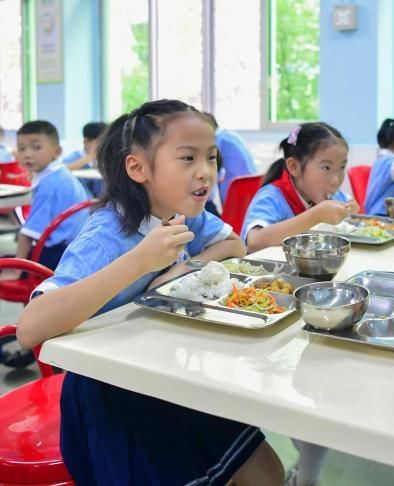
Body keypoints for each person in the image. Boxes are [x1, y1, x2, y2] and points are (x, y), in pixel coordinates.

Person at [17, 100, 283, 486]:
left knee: (266, 471)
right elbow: (30, 328)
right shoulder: (108, 232)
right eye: (188, 158)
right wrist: (139, 262)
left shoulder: (182, 210)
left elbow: (234, 246)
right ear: (137, 167)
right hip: (114, 399)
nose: (206, 171)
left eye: (211, 157)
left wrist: (179, 270)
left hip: (171, 374)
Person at [242, 122, 359, 253]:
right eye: (326, 168)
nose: (336, 180)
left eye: (342, 167)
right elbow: (254, 241)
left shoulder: (332, 195)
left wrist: (351, 209)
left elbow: (352, 208)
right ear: (294, 167)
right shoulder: (272, 197)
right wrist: (316, 215)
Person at [0, 120, 89, 277]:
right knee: (6, 258)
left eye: (36, 147)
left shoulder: (51, 184)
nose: (27, 154)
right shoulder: (59, 175)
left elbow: (27, 234)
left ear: (57, 151)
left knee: (7, 262)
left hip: (60, 257)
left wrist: (16, 270)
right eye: (21, 148)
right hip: (75, 248)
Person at [203, 113, 257, 202]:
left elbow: (212, 178)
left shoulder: (217, 141)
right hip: (252, 184)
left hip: (236, 189)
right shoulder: (230, 135)